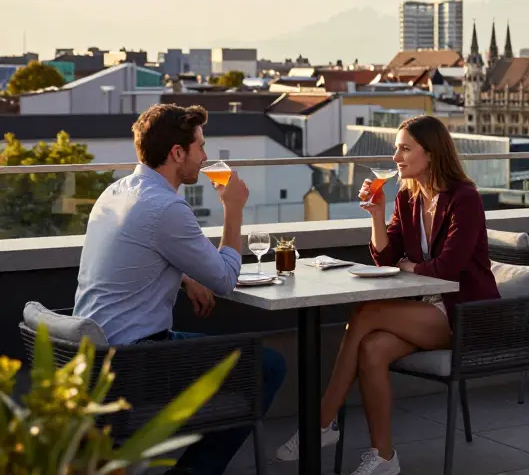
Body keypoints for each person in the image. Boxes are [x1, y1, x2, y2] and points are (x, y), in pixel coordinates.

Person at [277, 115, 500, 475]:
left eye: (404, 149)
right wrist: (377, 215)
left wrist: (410, 266)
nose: (396, 156)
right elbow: (385, 257)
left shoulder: (465, 198)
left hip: (465, 314)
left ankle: (320, 423)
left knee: (367, 312)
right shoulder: (408, 198)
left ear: (431, 154)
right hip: (425, 311)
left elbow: (448, 268)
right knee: (372, 347)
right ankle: (383, 457)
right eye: (396, 148)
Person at [73, 104, 286, 475]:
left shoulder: (116, 191)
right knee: (266, 365)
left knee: (237, 363)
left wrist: (185, 276)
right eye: (200, 147)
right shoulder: (166, 207)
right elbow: (224, 278)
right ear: (176, 153)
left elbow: (136, 254)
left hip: (95, 356)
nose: (205, 158)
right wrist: (232, 210)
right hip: (135, 361)